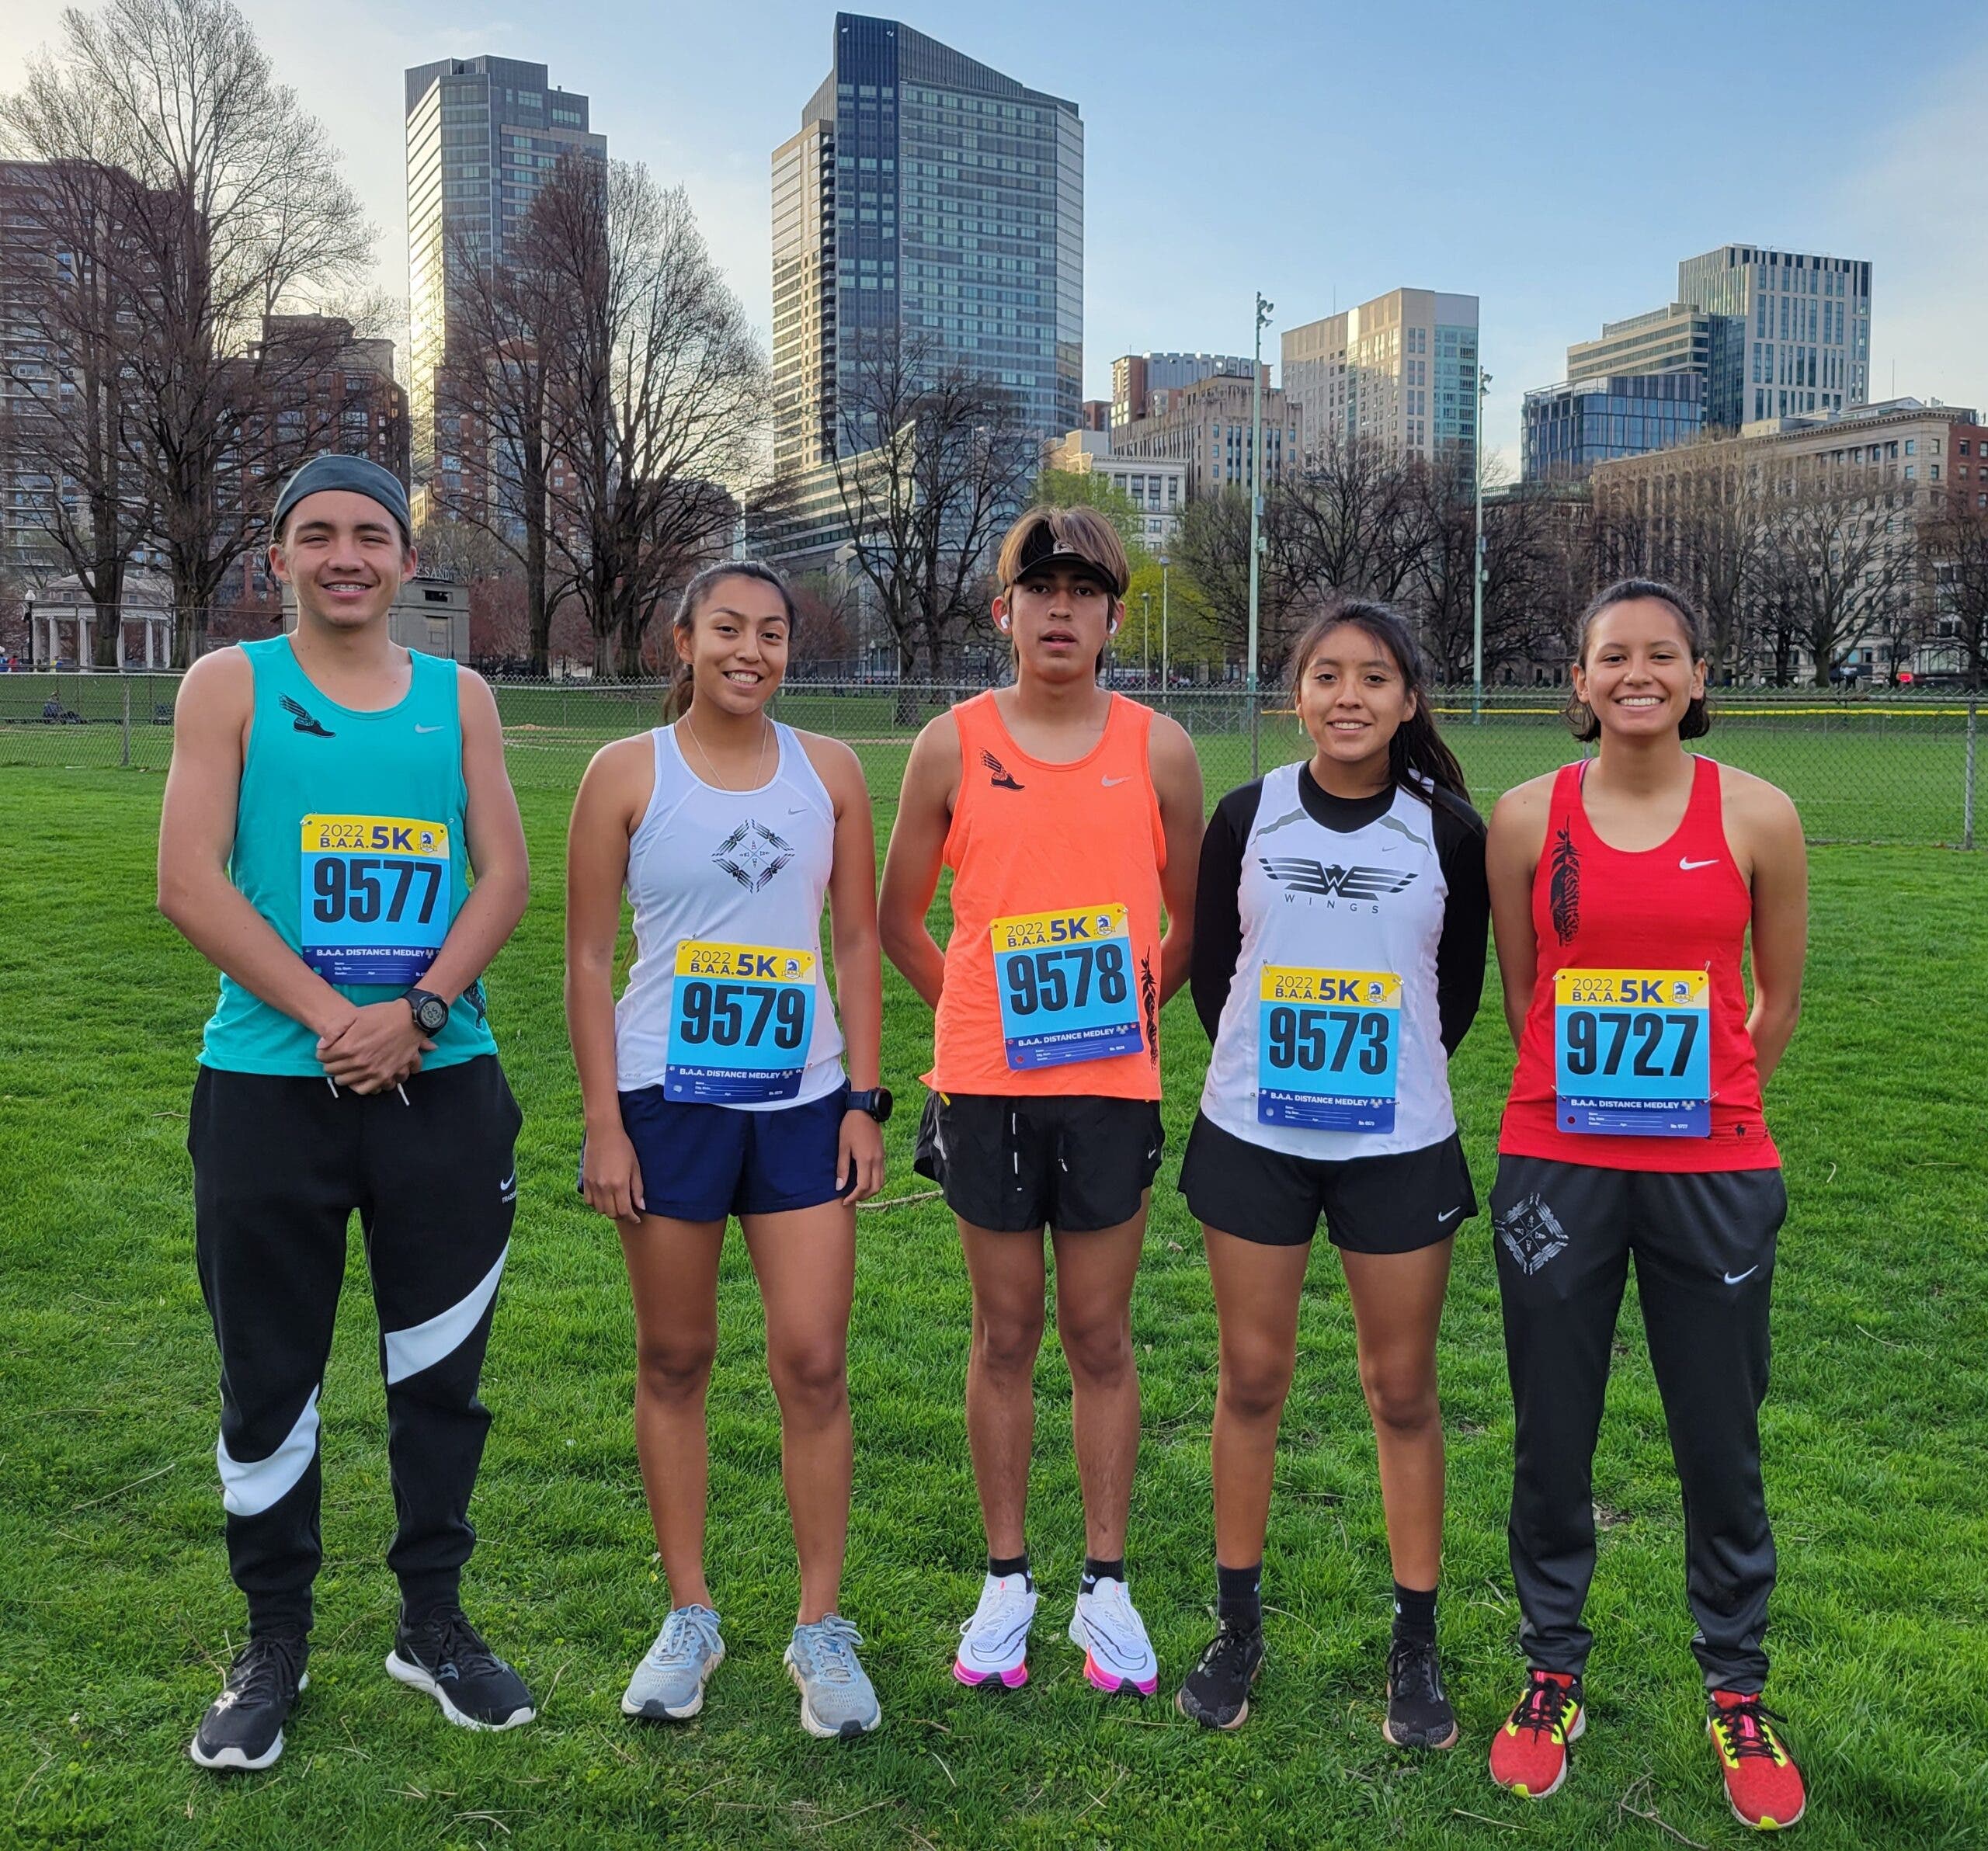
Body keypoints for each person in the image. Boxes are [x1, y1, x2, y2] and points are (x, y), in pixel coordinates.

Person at [158, 454, 535, 1772]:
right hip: (273, 1090)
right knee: (270, 1378)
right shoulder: (230, 686)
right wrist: (336, 1020)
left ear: (401, 555)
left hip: (440, 1085)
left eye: (369, 535)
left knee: (440, 1374)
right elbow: (188, 882)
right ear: (277, 559)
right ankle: (273, 1643)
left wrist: (419, 1012)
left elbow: (504, 876)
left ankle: (432, 1624)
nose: (345, 558)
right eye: (315, 536)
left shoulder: (459, 697)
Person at [1482, 579, 1809, 1829]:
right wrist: (1593, 1114)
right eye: (1611, 656)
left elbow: (1774, 998)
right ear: (1579, 680)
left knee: (1719, 1435)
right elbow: (1526, 999)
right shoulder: (1526, 818)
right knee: (1551, 1427)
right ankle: (1550, 1669)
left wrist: (1709, 1110)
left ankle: (1737, 1688)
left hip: (1715, 1172)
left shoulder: (1762, 816)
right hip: (1556, 1165)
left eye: (1660, 654)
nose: (1636, 674)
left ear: (1696, 673)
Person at [878, 507, 1203, 1696]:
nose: (1060, 609)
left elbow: (1190, 916)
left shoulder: (1160, 747)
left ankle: (1104, 1586)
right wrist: (980, 1019)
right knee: (1006, 1333)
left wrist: (1129, 1010)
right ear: (1003, 610)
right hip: (985, 1091)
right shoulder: (950, 744)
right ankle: (1007, 1579)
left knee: (1102, 1337)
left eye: (1084, 590)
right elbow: (896, 919)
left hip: (1111, 1090)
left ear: (1116, 616)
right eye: (1039, 588)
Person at [565, 561, 889, 1739]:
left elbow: (854, 939)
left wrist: (865, 1094)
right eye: (726, 630)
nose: (749, 650)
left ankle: (820, 1629)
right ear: (683, 639)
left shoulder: (834, 773)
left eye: (770, 634)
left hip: (803, 1105)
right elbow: (591, 961)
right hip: (666, 1104)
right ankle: (690, 1614)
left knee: (812, 1360)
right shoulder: (624, 775)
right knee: (677, 1358)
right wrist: (605, 1120)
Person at [1174, 603, 1488, 1740]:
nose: (1348, 694)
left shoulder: (1449, 832)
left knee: (1401, 1393)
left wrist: (1376, 1084)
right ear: (1294, 694)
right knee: (1251, 1380)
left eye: (1374, 676)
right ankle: (1237, 1628)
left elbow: (1451, 998)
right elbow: (1216, 976)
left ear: (1409, 699)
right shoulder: (1244, 815)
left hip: (1397, 1151)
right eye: (1324, 674)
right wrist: (1282, 1080)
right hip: (1255, 1141)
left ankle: (1416, 1647)